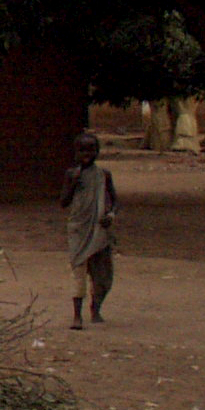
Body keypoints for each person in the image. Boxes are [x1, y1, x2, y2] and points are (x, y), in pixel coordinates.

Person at [60, 129, 118, 329]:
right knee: (78, 272)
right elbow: (64, 202)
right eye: (82, 150)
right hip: (78, 228)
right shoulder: (71, 174)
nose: (87, 154)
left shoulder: (104, 175)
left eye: (91, 150)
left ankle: (96, 308)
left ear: (98, 151)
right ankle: (77, 315)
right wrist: (74, 183)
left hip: (99, 230)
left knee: (102, 274)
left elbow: (114, 200)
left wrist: (110, 215)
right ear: (76, 152)